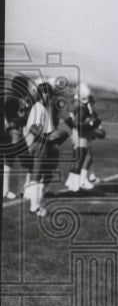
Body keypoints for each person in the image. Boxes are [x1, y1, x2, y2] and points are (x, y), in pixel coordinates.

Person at [23, 81, 70, 216]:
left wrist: (56, 136)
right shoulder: (38, 107)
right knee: (37, 175)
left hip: (44, 144)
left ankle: (36, 204)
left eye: (49, 94)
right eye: (45, 94)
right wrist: (46, 138)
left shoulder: (43, 107)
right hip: (40, 144)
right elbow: (32, 127)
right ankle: (35, 207)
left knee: (45, 174)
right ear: (40, 94)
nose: (48, 96)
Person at [64, 84, 105, 192]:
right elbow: (76, 122)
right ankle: (79, 181)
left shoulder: (78, 104)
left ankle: (72, 180)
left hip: (80, 131)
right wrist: (93, 124)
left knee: (81, 156)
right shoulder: (80, 106)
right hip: (81, 133)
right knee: (84, 156)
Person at [2, 75, 32, 200]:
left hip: (19, 130)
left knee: (14, 161)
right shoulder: (12, 97)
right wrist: (7, 127)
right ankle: (9, 189)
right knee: (11, 161)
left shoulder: (21, 97)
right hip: (14, 131)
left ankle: (20, 189)